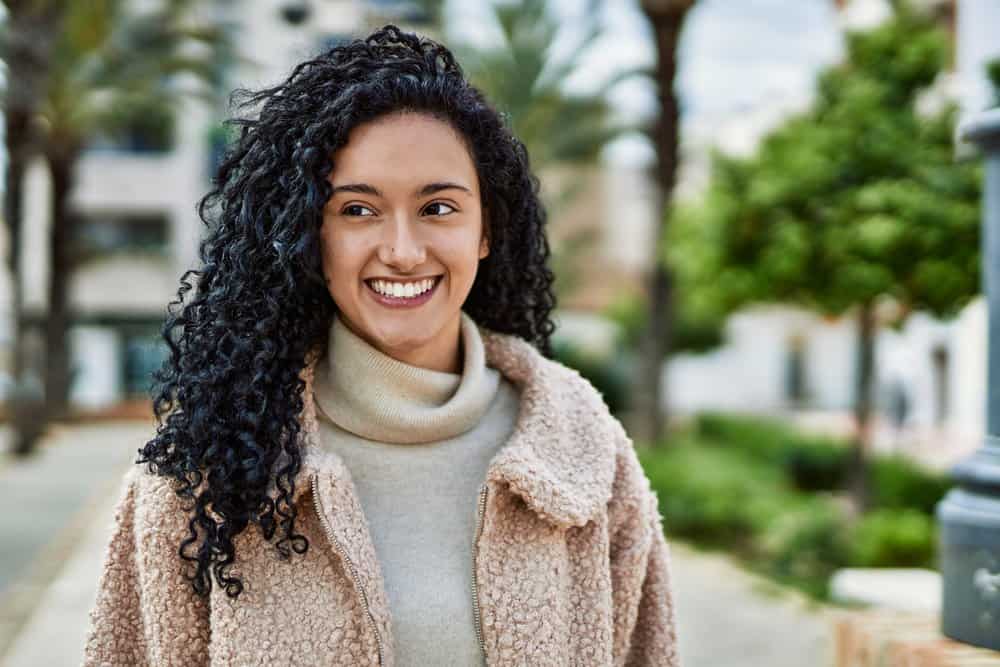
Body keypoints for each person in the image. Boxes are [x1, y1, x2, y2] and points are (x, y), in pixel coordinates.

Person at [81, 24, 680, 667]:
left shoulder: (583, 451)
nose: (400, 250)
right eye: (358, 211)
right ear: (310, 232)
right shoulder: (203, 466)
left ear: (487, 230)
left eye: (439, 208)